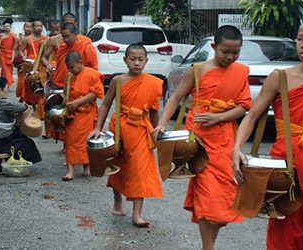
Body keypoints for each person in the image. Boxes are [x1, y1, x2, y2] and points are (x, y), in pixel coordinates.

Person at [232, 17, 303, 250]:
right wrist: (236, 149)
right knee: (283, 240)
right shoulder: (280, 77)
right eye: (300, 38)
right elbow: (252, 116)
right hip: (286, 171)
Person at [152, 25, 252, 250]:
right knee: (208, 196)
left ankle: (209, 244)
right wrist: (161, 124)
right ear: (214, 46)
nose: (230, 57)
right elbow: (176, 97)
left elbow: (244, 106)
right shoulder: (197, 71)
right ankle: (208, 246)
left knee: (223, 196)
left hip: (225, 140)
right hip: (199, 143)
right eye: (225, 51)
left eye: (235, 52)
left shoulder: (241, 72)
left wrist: (219, 118)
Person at [89, 43, 163, 227]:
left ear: (146, 61)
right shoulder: (118, 81)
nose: (136, 63)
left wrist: (157, 130)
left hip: (141, 130)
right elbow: (105, 104)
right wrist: (98, 127)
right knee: (118, 166)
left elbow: (154, 110)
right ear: (125, 60)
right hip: (120, 128)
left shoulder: (153, 83)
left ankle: (137, 214)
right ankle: (117, 201)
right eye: (132, 59)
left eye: (140, 60)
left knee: (140, 170)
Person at [0, 77, 42, 172]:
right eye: (6, 87)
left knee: (17, 134)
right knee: (26, 143)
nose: (8, 89)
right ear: (0, 90)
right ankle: (12, 163)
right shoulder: (0, 102)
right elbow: (21, 107)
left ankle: (2, 162)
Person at [60, 51, 104, 181]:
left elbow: (96, 93)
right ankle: (70, 170)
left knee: (86, 141)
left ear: (80, 63)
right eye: (68, 68)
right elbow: (65, 92)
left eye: (72, 67)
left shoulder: (92, 74)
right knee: (70, 141)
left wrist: (78, 102)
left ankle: (86, 166)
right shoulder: (69, 76)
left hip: (87, 113)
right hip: (72, 114)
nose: (70, 70)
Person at [0, 21, 18, 88]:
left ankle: (4, 83)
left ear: (10, 27)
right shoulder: (1, 35)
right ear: (3, 27)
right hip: (3, 54)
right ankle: (8, 82)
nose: (7, 27)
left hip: (10, 54)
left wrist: (13, 55)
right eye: (5, 26)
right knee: (5, 69)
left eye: (8, 26)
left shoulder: (13, 35)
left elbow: (16, 45)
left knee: (8, 69)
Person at [15, 22, 33, 99]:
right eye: (26, 26)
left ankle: (27, 97)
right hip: (22, 61)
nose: (28, 28)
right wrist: (17, 59)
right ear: (24, 27)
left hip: (32, 61)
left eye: (30, 27)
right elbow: (16, 49)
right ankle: (23, 96)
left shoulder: (34, 38)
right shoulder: (19, 38)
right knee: (22, 80)